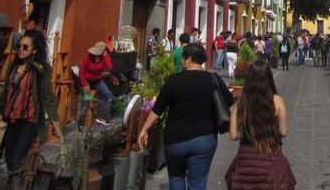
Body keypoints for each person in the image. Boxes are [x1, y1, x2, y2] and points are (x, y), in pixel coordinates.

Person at [138, 43, 233, 190]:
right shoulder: (213, 79)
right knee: (198, 183)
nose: (181, 61)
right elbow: (229, 100)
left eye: (183, 58)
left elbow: (158, 109)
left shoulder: (174, 80)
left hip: (176, 140)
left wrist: (145, 129)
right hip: (204, 138)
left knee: (176, 178)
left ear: (189, 59)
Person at [0, 29, 59, 177]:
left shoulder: (39, 70)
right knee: (10, 160)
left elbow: (48, 96)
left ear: (34, 50)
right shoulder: (13, 67)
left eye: (25, 47)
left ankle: (18, 183)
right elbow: (5, 93)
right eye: (19, 46)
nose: (21, 50)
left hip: (28, 121)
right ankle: (17, 182)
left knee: (17, 159)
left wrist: (54, 120)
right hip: (10, 119)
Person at [225, 58, 295, 189]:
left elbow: (233, 135)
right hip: (270, 155)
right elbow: (283, 131)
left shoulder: (241, 102)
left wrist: (250, 132)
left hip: (246, 158)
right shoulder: (277, 101)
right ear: (269, 77)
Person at [78, 41, 115, 123]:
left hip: (96, 80)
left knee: (107, 94)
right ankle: (82, 122)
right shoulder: (88, 57)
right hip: (85, 80)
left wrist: (106, 56)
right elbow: (81, 71)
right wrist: (84, 84)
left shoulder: (104, 57)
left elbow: (109, 68)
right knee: (86, 98)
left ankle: (101, 115)